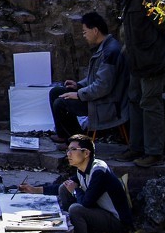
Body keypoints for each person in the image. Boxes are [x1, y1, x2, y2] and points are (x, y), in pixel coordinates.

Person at [20, 135, 133, 233]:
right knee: (64, 188)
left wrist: (75, 190)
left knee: (75, 209)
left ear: (86, 153)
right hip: (100, 212)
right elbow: (64, 186)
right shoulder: (82, 170)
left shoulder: (99, 171)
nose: (69, 154)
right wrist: (35, 189)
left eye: (73, 150)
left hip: (117, 221)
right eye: (68, 150)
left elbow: (86, 203)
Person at [109, 0, 165, 167]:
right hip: (136, 62)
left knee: (150, 104)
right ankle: (136, 148)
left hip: (152, 61)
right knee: (134, 101)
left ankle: (154, 153)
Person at [48, 11, 128, 142]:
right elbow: (95, 77)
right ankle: (64, 135)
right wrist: (78, 85)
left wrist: (79, 94)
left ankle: (78, 141)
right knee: (56, 92)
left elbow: (103, 86)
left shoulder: (110, 52)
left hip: (106, 103)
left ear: (95, 30)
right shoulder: (104, 47)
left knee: (61, 103)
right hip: (97, 96)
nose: (84, 35)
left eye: (85, 32)